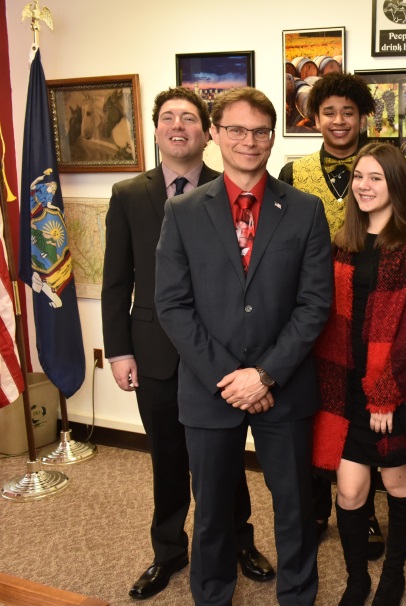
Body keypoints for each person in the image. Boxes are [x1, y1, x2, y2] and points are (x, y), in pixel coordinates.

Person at [154, 87, 333, 606]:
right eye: (235, 129)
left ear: (272, 136)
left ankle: (298, 596)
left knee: (295, 507)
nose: (248, 141)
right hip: (211, 390)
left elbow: (314, 305)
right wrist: (233, 377)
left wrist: (266, 374)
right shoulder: (183, 212)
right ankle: (212, 596)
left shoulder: (305, 210)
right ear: (214, 134)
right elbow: (172, 305)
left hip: (285, 387)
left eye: (259, 131)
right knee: (211, 511)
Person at [101, 87, 273, 600]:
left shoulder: (236, 186)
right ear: (155, 129)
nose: (180, 126)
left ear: (208, 133)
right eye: (169, 118)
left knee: (224, 460)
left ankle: (240, 542)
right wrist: (118, 350)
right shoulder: (130, 195)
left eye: (190, 119)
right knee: (168, 460)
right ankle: (169, 552)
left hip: (220, 353)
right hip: (154, 352)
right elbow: (116, 280)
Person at [312, 142, 406, 606]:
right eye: (359, 177)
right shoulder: (340, 242)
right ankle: (356, 579)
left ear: (397, 185)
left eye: (377, 178)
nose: (365, 186)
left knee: (396, 483)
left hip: (394, 388)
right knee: (349, 492)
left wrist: (386, 394)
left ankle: (392, 574)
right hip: (344, 386)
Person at [278, 71, 385, 558]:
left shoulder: (383, 166)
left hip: (366, 314)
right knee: (314, 412)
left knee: (364, 415)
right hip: (307, 316)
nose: (339, 121)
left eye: (348, 111)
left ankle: (361, 513)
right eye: (328, 112)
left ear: (362, 116)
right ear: (313, 118)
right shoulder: (291, 173)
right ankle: (317, 508)